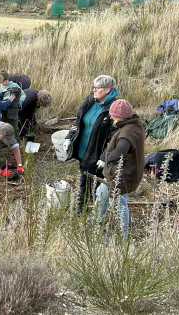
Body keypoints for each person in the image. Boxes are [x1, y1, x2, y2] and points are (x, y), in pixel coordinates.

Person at [64, 74, 119, 213]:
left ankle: (88, 213)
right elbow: (78, 121)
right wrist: (69, 137)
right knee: (85, 181)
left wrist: (104, 156)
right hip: (84, 150)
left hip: (97, 155)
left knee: (94, 184)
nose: (94, 90)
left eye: (97, 88)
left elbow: (114, 139)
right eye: (93, 87)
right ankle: (83, 211)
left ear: (107, 90)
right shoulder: (90, 100)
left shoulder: (114, 108)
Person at [95, 99, 145, 237]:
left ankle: (124, 235)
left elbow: (121, 151)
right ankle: (97, 223)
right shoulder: (134, 126)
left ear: (120, 116)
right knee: (101, 194)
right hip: (117, 174)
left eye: (113, 114)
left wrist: (106, 159)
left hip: (121, 176)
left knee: (119, 205)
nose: (110, 117)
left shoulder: (127, 133)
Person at [0, 70, 24, 139]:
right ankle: (4, 142)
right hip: (2, 109)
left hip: (12, 109)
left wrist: (20, 101)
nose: (5, 83)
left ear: (8, 79)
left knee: (14, 128)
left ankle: (16, 142)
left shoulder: (14, 85)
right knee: (2, 127)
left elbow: (23, 94)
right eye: (2, 81)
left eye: (6, 81)